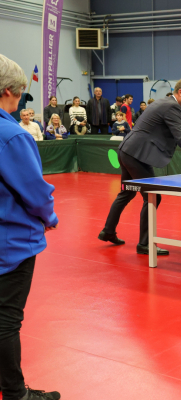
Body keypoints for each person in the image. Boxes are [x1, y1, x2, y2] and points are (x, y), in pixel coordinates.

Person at [0, 53, 60, 400]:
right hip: (11, 242)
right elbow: (35, 192)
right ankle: (15, 394)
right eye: (21, 93)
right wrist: (48, 218)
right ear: (9, 91)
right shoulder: (12, 135)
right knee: (7, 318)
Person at [98, 78, 181, 255]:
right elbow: (180, 137)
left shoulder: (165, 102)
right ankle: (145, 244)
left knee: (127, 192)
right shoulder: (172, 107)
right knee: (153, 197)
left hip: (127, 150)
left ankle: (108, 231)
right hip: (136, 154)